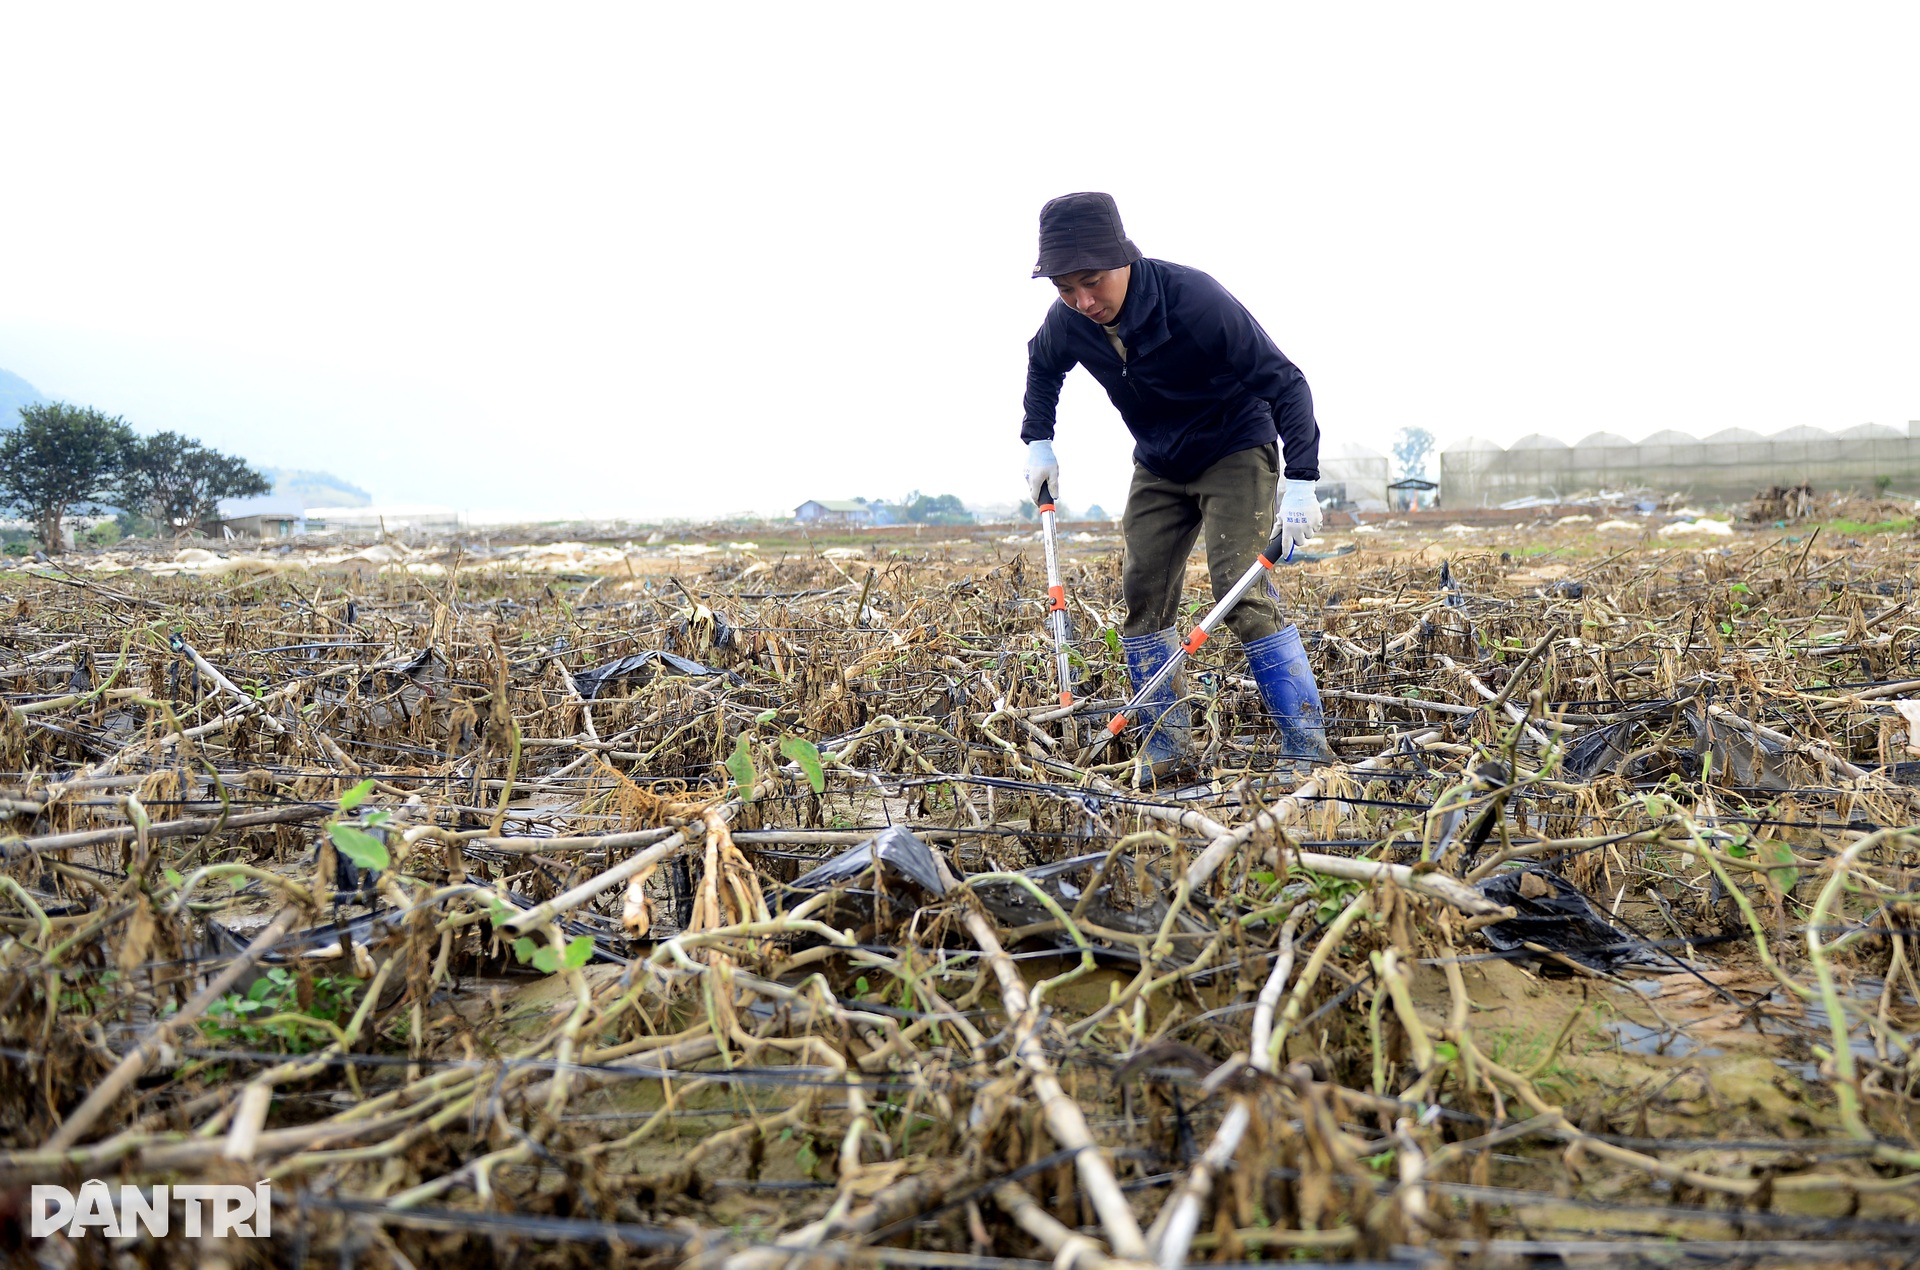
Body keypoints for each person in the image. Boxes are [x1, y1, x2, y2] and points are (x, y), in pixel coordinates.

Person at [1020, 191, 1332, 777]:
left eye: (1092, 282)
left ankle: (1306, 749)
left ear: (1124, 260)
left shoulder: (1193, 298)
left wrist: (1302, 481)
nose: (1083, 301)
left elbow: (1286, 382)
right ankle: (1168, 749)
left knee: (1238, 590)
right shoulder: (1069, 320)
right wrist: (1038, 438)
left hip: (1234, 448)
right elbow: (1042, 363)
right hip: (1159, 463)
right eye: (1066, 289)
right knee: (1142, 595)